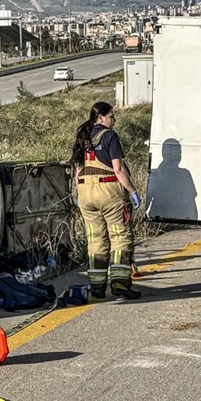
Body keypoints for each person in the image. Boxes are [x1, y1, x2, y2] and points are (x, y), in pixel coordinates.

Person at [72, 101, 142, 299]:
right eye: (111, 116)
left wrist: (79, 195)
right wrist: (133, 191)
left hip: (85, 193)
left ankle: (97, 286)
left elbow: (77, 170)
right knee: (120, 236)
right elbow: (118, 170)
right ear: (101, 117)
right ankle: (119, 283)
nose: (114, 119)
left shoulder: (82, 138)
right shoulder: (110, 136)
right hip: (108, 191)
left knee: (96, 240)